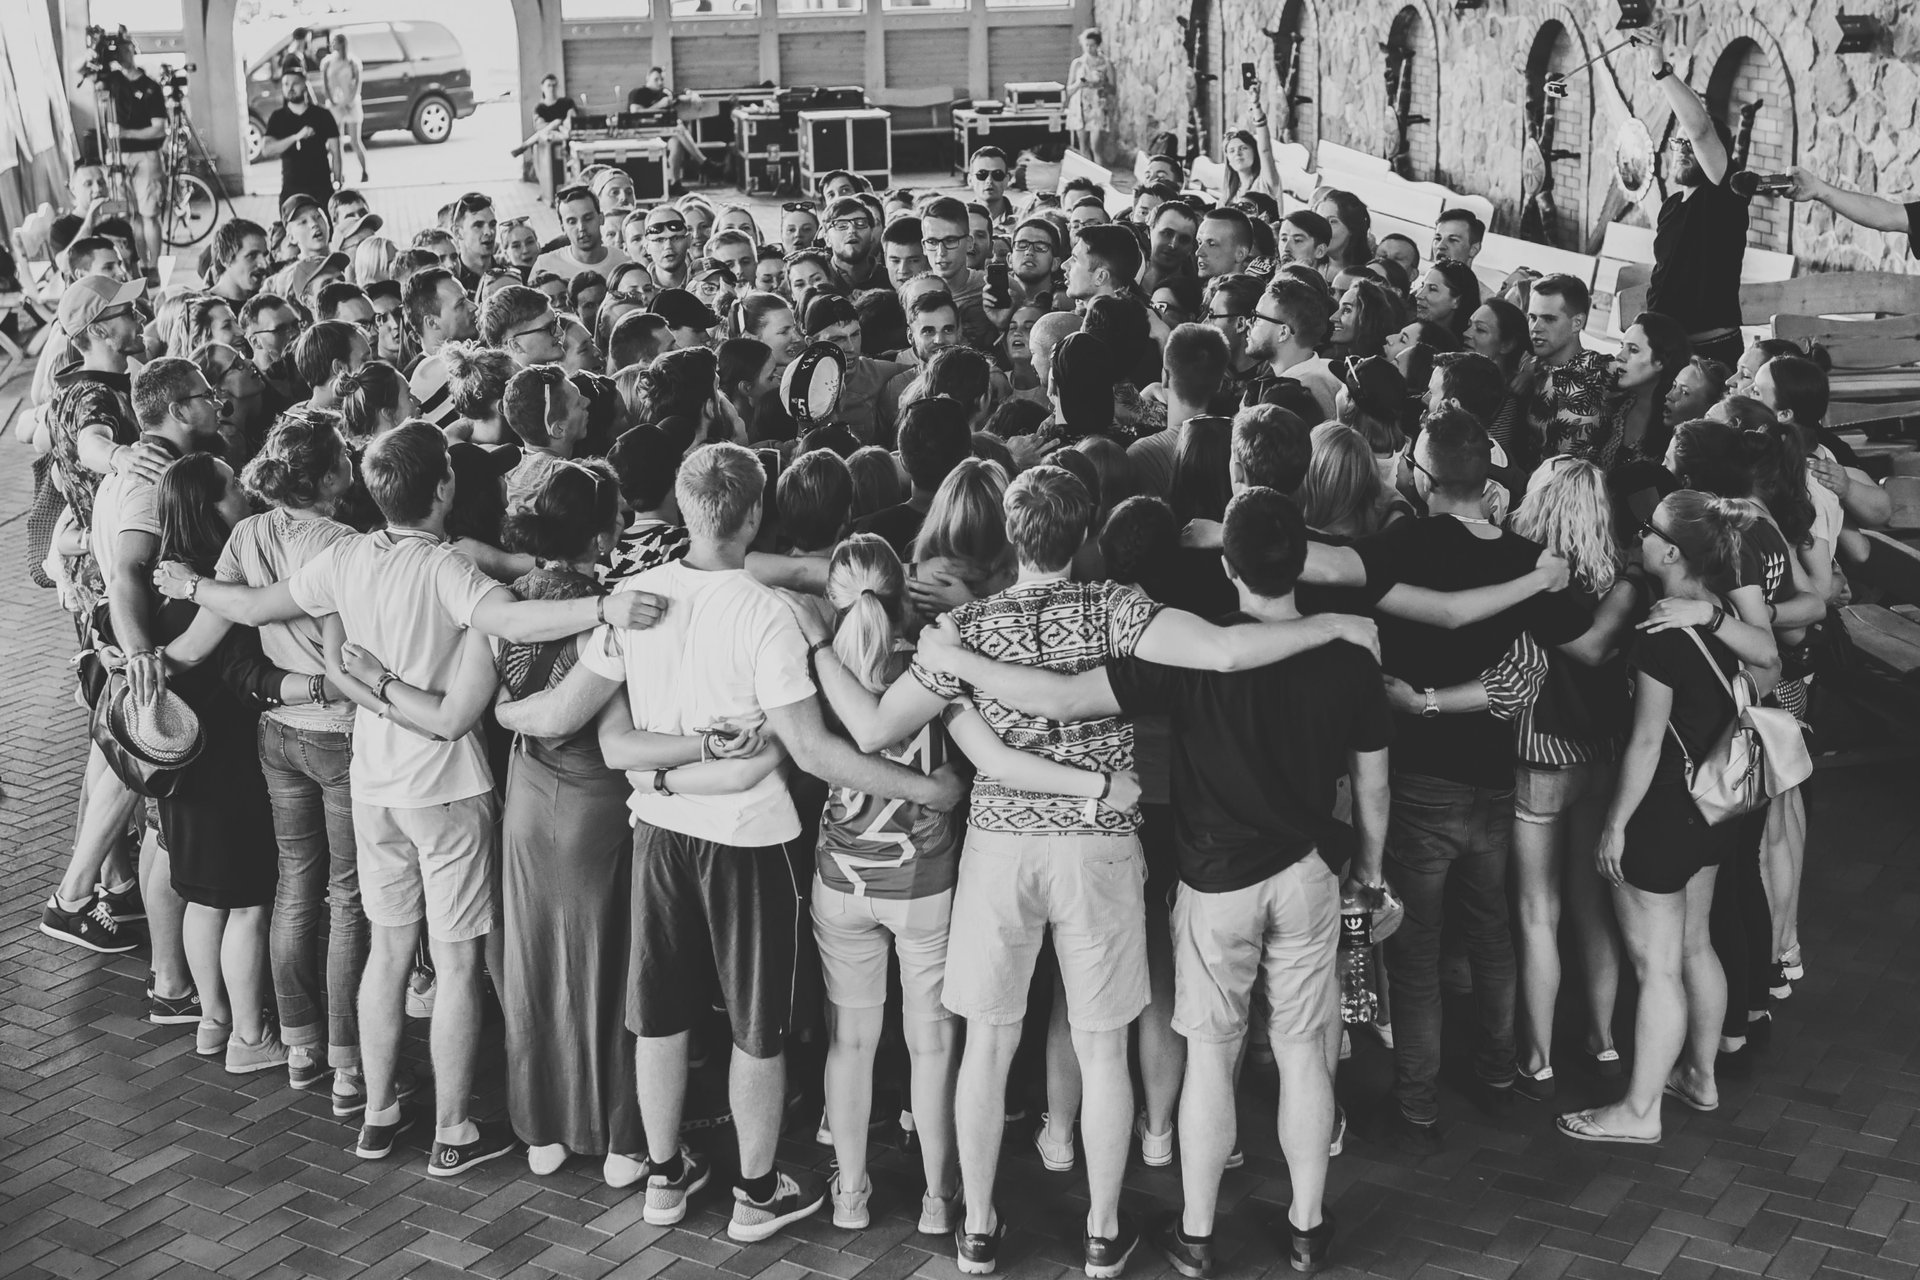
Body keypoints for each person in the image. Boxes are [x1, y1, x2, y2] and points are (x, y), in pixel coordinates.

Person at [813, 463, 1390, 1278]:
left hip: (1001, 847)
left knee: (987, 1045)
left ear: (1013, 538)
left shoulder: (964, 629)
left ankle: (976, 1229)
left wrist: (818, 651)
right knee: (1102, 1046)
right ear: (1084, 534)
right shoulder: (1120, 609)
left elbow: (873, 728)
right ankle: (1103, 1231)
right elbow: (1227, 651)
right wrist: (1333, 626)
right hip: (1101, 846)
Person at [452, 442, 968, 1239]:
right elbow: (814, 751)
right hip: (749, 843)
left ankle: (665, 1179)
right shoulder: (767, 614)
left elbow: (577, 722)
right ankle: (755, 1195)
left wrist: (505, 714)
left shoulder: (637, 597)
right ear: (754, 513)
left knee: (659, 1014)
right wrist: (925, 788)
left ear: (686, 507)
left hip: (659, 834)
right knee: (755, 1027)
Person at [154, 422, 672, 1173]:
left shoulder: (347, 555)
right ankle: (453, 1130)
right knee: (457, 963)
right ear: (444, 486)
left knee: (389, 947)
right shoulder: (444, 568)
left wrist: (193, 587)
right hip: (446, 786)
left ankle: (377, 1113)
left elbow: (261, 606)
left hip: (374, 782)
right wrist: (603, 611)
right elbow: (510, 619)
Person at [806, 533, 1135, 1232]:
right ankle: (937, 1199)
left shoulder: (821, 671)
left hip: (842, 875)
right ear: (902, 592)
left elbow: (828, 743)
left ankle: (851, 1194)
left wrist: (815, 645)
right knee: (931, 1045)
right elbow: (983, 753)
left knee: (850, 1043)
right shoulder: (932, 668)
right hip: (920, 881)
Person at [1557, 492, 1779, 1143]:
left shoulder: (1660, 634)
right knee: (1695, 945)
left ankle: (1639, 1111)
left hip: (1661, 816)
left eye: (1648, 530)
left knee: (1656, 967)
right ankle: (1700, 1078)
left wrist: (1615, 825)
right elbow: (1770, 661)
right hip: (1715, 809)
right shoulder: (1725, 617)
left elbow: (1647, 742)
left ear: (1673, 552)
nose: (1640, 537)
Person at [1628, 27, 1749, 367]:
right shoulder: (1671, 205)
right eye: (1677, 142)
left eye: (1690, 145)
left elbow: (1700, 129)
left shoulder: (1724, 194)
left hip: (1710, 353)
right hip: (1666, 347)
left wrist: (1660, 69)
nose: (1683, 148)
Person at [1524, 274, 1617, 471]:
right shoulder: (1531, 364)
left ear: (1577, 323)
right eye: (1532, 317)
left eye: (1549, 319)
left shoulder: (1594, 372)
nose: (1536, 328)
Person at [103, 37, 165, 271]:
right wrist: (98, 51)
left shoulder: (151, 87)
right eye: (119, 52)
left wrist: (125, 133)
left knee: (149, 213)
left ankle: (154, 266)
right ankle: (139, 264)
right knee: (130, 216)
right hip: (118, 156)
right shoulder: (113, 82)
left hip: (146, 156)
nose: (123, 56)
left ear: (134, 52)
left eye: (126, 51)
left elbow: (159, 128)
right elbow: (81, 70)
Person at [261, 58, 342, 214]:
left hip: (322, 188)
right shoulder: (278, 117)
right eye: (286, 84)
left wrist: (337, 181)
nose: (290, 88)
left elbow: (336, 152)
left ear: (305, 84)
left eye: (295, 83)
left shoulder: (322, 115)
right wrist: (296, 137)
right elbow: (267, 149)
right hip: (291, 190)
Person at [321, 33, 368, 185]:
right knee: (336, 143)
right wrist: (332, 100)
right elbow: (325, 85)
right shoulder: (327, 62)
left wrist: (349, 101)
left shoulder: (353, 62)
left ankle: (364, 171)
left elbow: (357, 84)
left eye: (335, 42)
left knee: (355, 141)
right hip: (335, 105)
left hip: (351, 104)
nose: (332, 45)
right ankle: (338, 175)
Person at [1065, 29, 1116, 164]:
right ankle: (1086, 174)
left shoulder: (1106, 63)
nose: (1089, 48)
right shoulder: (1078, 63)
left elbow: (1113, 89)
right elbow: (1069, 90)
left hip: (1097, 107)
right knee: (1083, 147)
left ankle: (1100, 173)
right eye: (1086, 45)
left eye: (1092, 45)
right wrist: (1079, 84)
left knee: (1096, 146)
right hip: (1080, 107)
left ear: (1098, 45)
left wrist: (1101, 84)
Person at [530, 74, 577, 209]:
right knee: (537, 147)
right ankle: (547, 188)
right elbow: (539, 126)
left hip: (566, 136)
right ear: (543, 88)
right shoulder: (539, 108)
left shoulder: (566, 102)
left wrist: (564, 123)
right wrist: (555, 124)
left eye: (554, 85)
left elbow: (572, 117)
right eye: (549, 85)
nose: (552, 88)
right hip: (548, 140)